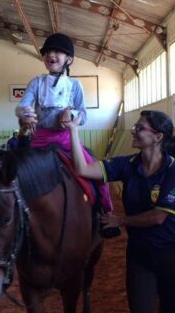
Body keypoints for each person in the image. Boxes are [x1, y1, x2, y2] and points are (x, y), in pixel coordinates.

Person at [64, 110, 175, 313]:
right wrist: (73, 131)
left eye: (139, 128)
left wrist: (120, 220)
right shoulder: (127, 165)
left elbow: (159, 217)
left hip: (172, 254)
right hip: (139, 255)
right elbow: (83, 169)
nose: (133, 131)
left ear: (158, 137)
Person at [15, 33, 117, 236]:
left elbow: (84, 114)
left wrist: (72, 114)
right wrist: (26, 115)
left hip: (67, 139)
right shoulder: (36, 83)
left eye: (57, 52)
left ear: (68, 59)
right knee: (15, 174)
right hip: (40, 138)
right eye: (47, 52)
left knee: (96, 174)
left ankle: (105, 214)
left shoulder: (74, 86)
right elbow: (23, 105)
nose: (51, 55)